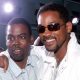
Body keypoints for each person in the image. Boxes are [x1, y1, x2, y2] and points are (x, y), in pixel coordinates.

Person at [36, 3, 80, 80]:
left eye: (53, 26)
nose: (46, 34)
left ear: (68, 27)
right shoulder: (42, 55)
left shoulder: (77, 62)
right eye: (41, 29)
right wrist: (6, 57)